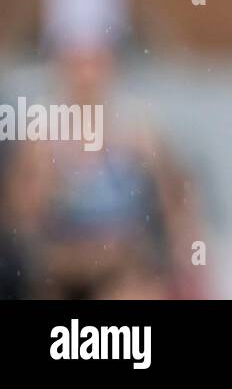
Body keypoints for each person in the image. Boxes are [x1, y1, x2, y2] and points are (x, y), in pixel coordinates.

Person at [3, 43, 206, 299]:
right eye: (77, 66)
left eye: (94, 65)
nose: (86, 77)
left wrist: (185, 256)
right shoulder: (41, 139)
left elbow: (180, 211)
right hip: (59, 271)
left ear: (111, 68)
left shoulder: (138, 132)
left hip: (125, 268)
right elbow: (19, 220)